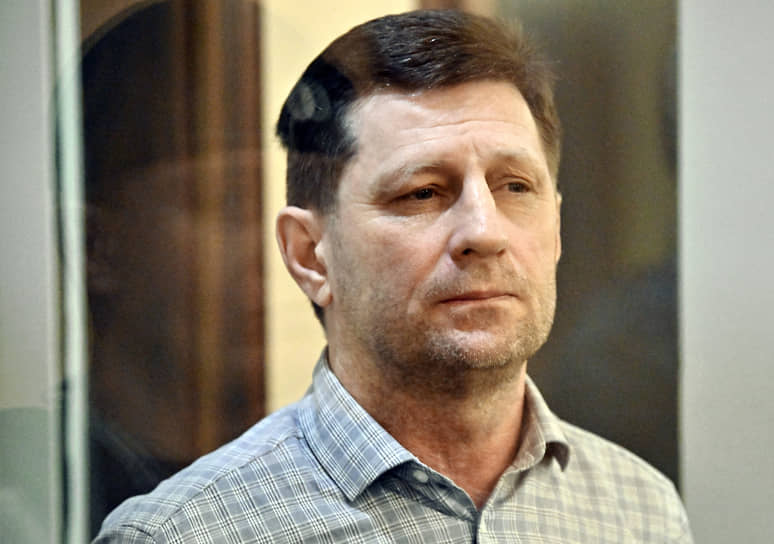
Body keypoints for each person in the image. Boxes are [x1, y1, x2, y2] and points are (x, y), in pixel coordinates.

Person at [94, 10, 692, 543]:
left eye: (515, 187)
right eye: (422, 192)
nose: (484, 231)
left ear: (556, 230)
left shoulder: (640, 511)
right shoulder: (184, 533)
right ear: (310, 255)